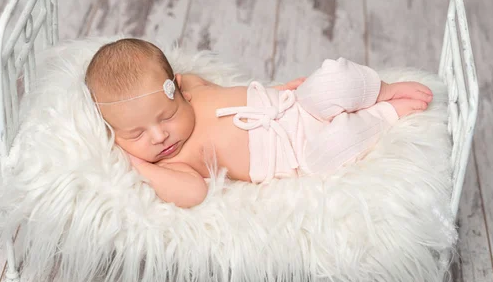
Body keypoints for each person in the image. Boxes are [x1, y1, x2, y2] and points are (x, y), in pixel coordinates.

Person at [85, 39, 433, 208]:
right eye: (136, 134)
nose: (159, 136)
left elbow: (226, 92)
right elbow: (194, 193)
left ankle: (383, 88)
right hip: (297, 154)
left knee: (332, 80)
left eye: (167, 116)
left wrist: (277, 90)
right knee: (333, 149)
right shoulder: (172, 160)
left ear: (177, 89)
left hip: (291, 106)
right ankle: (384, 116)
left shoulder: (190, 86)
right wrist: (139, 164)